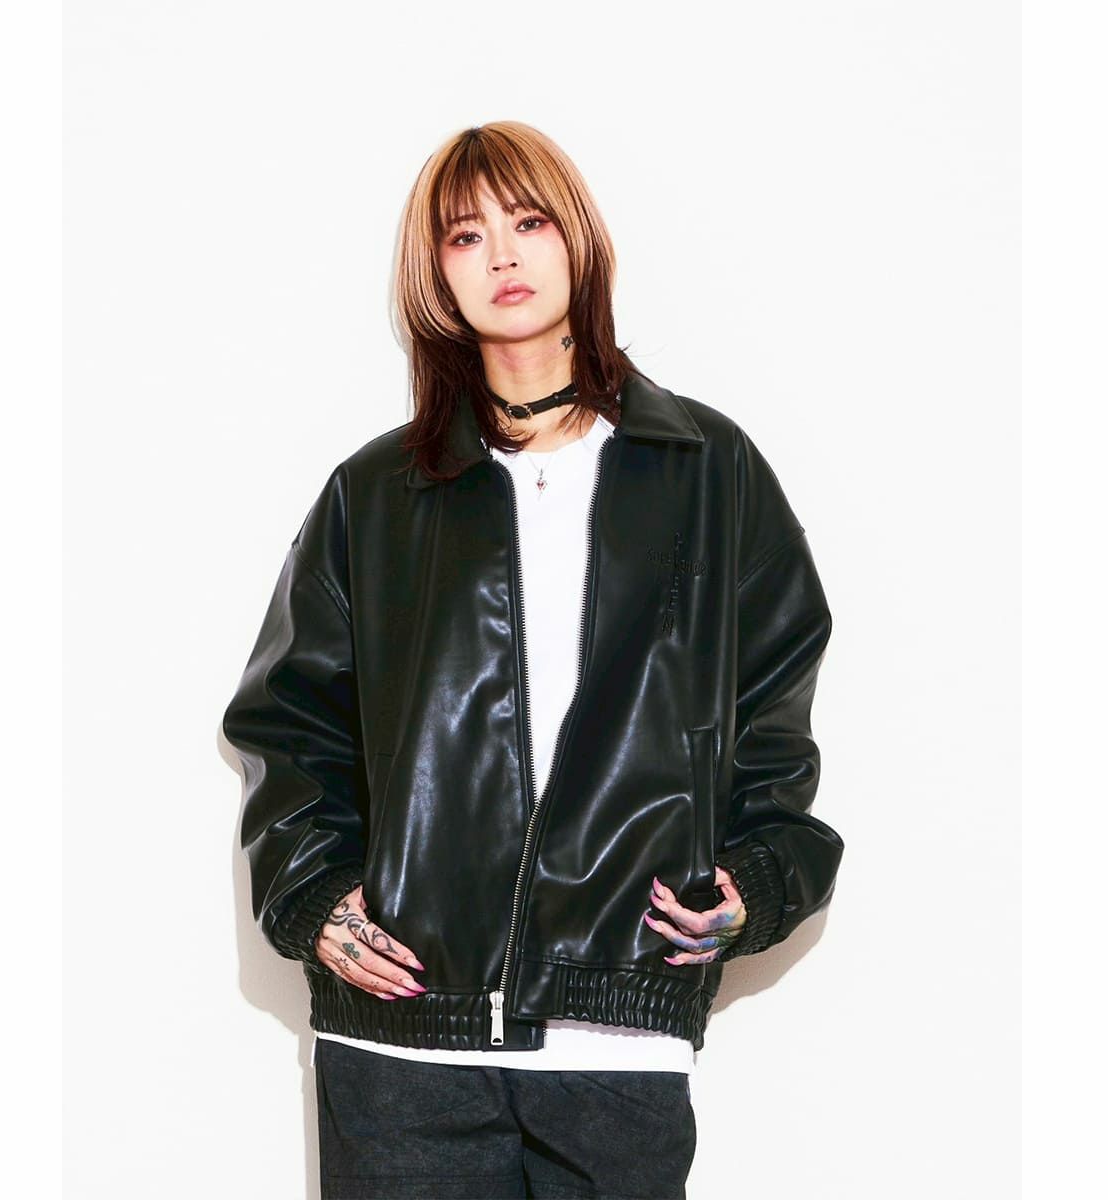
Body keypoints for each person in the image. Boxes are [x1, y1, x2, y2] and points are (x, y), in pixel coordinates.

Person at [221, 120, 844, 1200]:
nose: (502, 256)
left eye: (529, 221)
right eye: (465, 236)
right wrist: (313, 895)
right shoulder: (377, 495)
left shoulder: (706, 470)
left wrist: (758, 880)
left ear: (578, 242)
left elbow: (770, 722)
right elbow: (290, 720)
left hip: (619, 1037)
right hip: (404, 1047)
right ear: (437, 275)